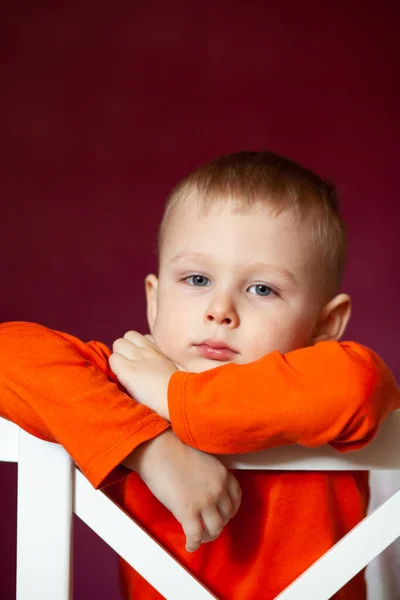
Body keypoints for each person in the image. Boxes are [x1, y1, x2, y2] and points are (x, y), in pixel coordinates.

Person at [0, 151, 399, 600]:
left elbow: (359, 386)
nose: (220, 310)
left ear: (326, 326)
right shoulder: (125, 382)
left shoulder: (323, 381)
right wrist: (152, 449)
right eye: (196, 279)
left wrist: (173, 396)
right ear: (155, 300)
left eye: (262, 289)